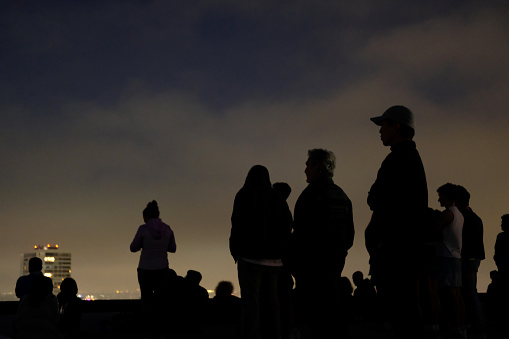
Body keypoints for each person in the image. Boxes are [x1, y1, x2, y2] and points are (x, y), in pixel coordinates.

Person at [365, 106, 428, 337]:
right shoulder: (408, 157)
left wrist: (381, 241)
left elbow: (376, 198)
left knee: (402, 310)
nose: (380, 131)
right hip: (402, 248)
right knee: (406, 309)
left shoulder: (398, 159)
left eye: (383, 125)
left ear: (396, 126)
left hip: (396, 250)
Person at [290, 149, 354, 339]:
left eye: (308, 164)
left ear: (318, 167)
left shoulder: (309, 196)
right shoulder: (342, 196)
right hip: (335, 262)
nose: (305, 170)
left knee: (316, 319)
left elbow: (301, 232)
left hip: (312, 266)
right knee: (331, 312)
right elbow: (349, 234)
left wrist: (296, 262)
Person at [230, 165, 293, 339]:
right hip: (274, 259)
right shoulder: (278, 198)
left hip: (249, 257)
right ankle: (275, 335)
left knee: (251, 302)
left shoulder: (243, 195)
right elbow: (287, 225)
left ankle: (251, 335)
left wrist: (235, 251)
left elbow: (237, 224)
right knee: (273, 302)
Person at [130, 200, 177, 336]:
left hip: (145, 269)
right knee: (161, 300)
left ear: (147, 216)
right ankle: (161, 328)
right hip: (162, 269)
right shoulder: (168, 229)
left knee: (146, 299)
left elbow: (133, 248)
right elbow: (173, 248)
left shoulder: (143, 229)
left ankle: (147, 329)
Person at [435, 183, 466, 338]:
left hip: (447, 257)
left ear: (447, 196)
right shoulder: (459, 214)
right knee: (457, 294)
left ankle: (455, 327)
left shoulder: (447, 214)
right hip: (456, 257)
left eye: (441, 195)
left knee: (450, 295)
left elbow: (433, 229)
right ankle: (460, 326)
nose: (439, 198)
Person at [455, 185, 485, 335]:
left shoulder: (464, 218)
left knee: (468, 292)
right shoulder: (475, 218)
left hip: (467, 258)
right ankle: (475, 325)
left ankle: (476, 326)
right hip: (473, 258)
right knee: (470, 292)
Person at [494, 214, 509, 281]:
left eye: (503, 223)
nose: (501, 225)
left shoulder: (501, 236)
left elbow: (497, 253)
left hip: (503, 267)